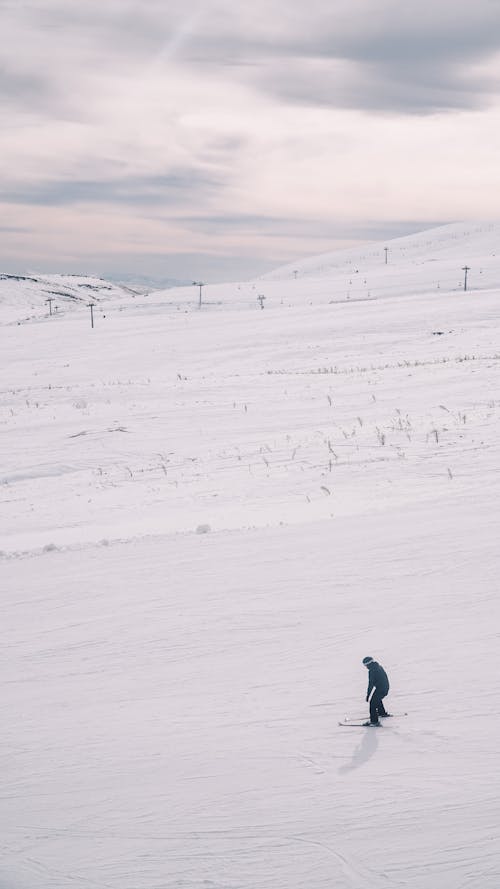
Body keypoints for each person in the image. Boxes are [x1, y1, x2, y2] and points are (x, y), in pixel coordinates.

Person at [363, 656, 390, 725]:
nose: (365, 667)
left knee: (372, 703)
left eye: (365, 665)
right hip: (385, 687)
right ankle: (382, 713)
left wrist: (368, 695)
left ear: (368, 664)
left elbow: (370, 684)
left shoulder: (372, 671)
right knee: (376, 699)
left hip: (381, 689)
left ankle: (374, 721)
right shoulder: (378, 666)